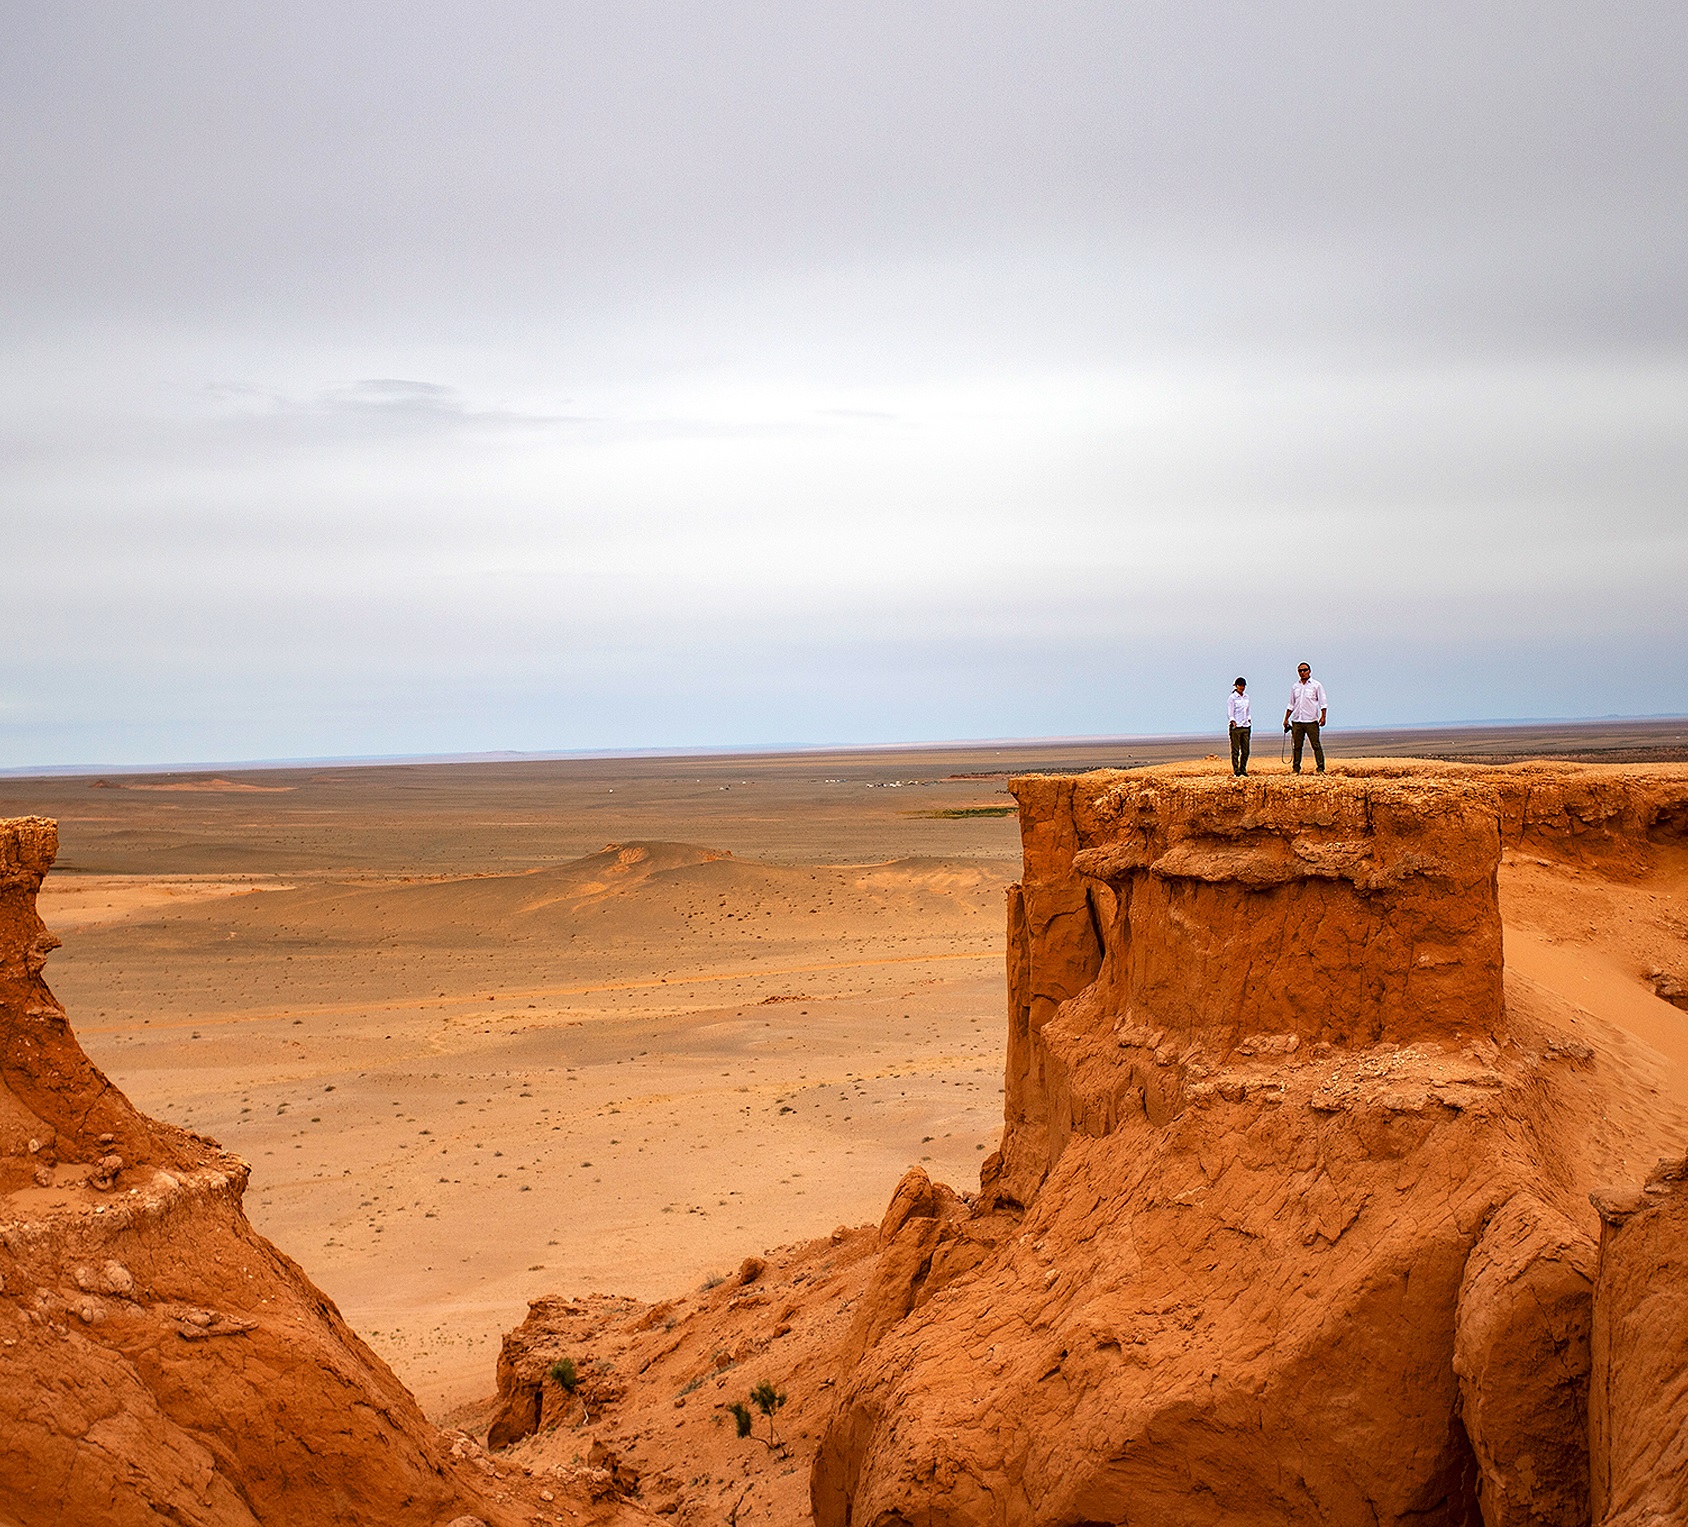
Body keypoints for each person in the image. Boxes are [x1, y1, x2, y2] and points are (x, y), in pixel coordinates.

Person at [1282, 662, 1327, 774]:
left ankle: (1320, 768)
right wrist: (1286, 718)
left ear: (1309, 671)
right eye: (1300, 671)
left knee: (1316, 745)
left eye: (1304, 670)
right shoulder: (1295, 687)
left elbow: (1323, 702)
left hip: (1311, 720)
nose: (1302, 673)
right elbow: (1291, 704)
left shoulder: (1316, 685)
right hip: (1297, 720)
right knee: (1297, 746)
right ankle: (1296, 768)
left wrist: (1323, 717)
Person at [1227, 677, 1251, 777]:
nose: (1242, 687)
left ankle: (1243, 769)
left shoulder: (1246, 697)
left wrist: (1249, 719)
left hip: (1245, 725)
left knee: (1246, 750)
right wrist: (1233, 720)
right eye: (1240, 685)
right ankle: (1236, 770)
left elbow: (1248, 710)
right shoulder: (1232, 698)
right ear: (1236, 686)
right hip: (1236, 726)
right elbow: (1230, 711)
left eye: (1243, 685)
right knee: (1235, 750)